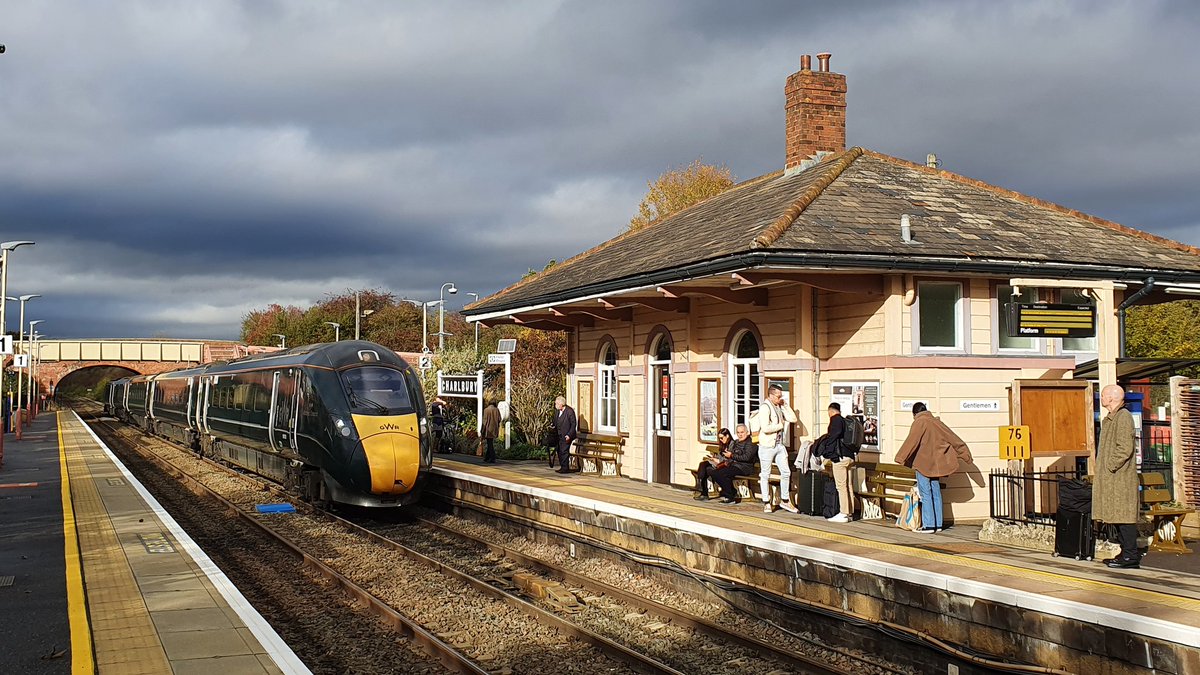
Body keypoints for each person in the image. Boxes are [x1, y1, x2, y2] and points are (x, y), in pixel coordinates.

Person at [894, 402, 973, 533]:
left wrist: (900, 457)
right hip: (936, 466)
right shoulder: (936, 422)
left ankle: (929, 525)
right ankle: (938, 524)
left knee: (925, 493)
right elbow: (953, 438)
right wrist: (965, 455)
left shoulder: (920, 422)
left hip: (923, 464)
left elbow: (911, 441)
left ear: (915, 413)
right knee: (936, 493)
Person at [1094, 384, 1140, 569]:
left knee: (1125, 516)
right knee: (1118, 516)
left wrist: (1110, 465)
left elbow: (1125, 448)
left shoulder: (1123, 417)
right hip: (1113, 478)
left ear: (1112, 398)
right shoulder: (1111, 418)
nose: (1102, 398)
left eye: (1104, 395)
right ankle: (1125, 553)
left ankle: (1130, 555)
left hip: (1120, 478)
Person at [750, 384, 799, 513]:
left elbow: (793, 419)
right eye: (778, 396)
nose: (780, 398)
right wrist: (780, 426)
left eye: (781, 396)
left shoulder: (778, 406)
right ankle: (766, 502)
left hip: (779, 445)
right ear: (771, 395)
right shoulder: (765, 408)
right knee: (765, 474)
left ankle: (785, 500)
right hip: (766, 446)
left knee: (786, 472)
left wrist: (785, 405)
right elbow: (765, 428)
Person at [814, 402, 854, 523]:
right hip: (850, 457)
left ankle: (844, 513)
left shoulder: (835, 420)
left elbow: (833, 437)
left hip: (840, 458)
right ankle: (850, 512)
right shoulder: (846, 422)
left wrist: (828, 452)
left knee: (841, 486)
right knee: (849, 485)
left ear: (830, 411)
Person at [708, 424, 759, 503]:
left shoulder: (751, 443)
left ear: (747, 432)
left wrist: (731, 455)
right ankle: (731, 492)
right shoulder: (736, 442)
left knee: (723, 473)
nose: (740, 434)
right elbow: (731, 453)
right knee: (714, 472)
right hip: (734, 465)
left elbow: (747, 457)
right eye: (738, 432)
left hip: (744, 467)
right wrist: (726, 455)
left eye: (742, 432)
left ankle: (730, 496)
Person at [694, 428, 733, 500]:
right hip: (718, 463)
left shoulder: (732, 444)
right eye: (719, 438)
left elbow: (730, 459)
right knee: (703, 465)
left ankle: (701, 489)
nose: (721, 440)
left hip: (725, 465)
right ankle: (701, 488)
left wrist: (718, 460)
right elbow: (720, 455)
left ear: (727, 436)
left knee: (706, 468)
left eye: (722, 438)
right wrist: (714, 458)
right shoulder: (723, 445)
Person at [553, 395, 578, 473]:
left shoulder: (569, 411)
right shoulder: (557, 411)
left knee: (564, 451)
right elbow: (555, 422)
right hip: (558, 434)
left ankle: (565, 468)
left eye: (557, 404)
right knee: (559, 451)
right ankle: (562, 466)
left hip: (567, 435)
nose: (555, 405)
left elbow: (573, 424)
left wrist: (569, 435)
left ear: (561, 404)